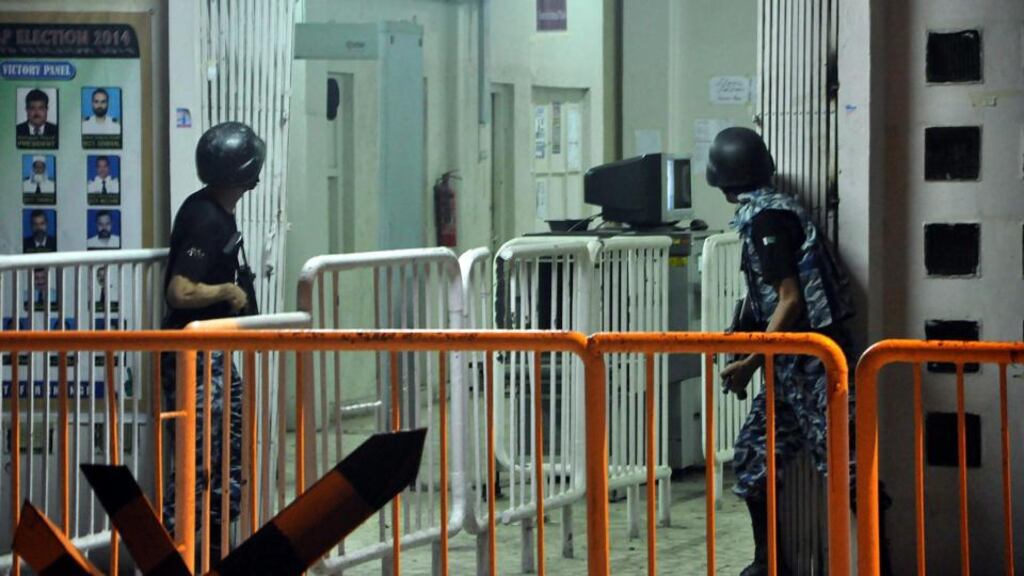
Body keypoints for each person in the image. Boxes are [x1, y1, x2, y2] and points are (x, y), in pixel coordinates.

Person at [707, 127, 864, 576]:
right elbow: (775, 297)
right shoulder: (773, 211)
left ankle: (879, 563)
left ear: (720, 178)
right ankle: (767, 564)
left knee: (846, 470)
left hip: (816, 364)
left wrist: (751, 361)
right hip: (793, 362)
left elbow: (791, 298)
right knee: (755, 456)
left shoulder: (766, 220)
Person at [160, 121, 265, 559]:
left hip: (213, 355)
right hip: (196, 357)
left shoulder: (213, 210)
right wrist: (227, 292)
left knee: (226, 455)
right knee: (197, 461)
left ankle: (218, 550)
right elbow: (179, 291)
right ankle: (179, 552)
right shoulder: (206, 219)